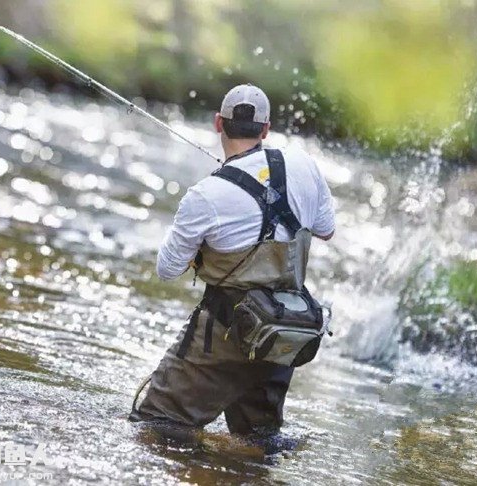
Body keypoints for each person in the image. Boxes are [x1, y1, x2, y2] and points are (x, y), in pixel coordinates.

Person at [130, 84, 335, 436]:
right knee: (257, 443)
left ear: (218, 124)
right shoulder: (305, 165)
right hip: (283, 336)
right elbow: (326, 230)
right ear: (266, 129)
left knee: (154, 426)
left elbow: (167, 269)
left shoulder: (205, 195)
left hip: (221, 340)